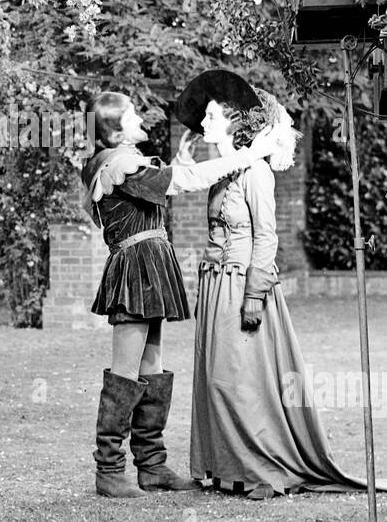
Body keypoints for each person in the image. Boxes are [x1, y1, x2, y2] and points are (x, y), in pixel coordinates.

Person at [175, 74, 387, 498]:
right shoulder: (223, 173)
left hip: (242, 284)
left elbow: (267, 237)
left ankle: (263, 468)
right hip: (215, 285)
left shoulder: (256, 174)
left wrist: (253, 295)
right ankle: (226, 465)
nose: (204, 122)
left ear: (235, 123)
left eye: (213, 115)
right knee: (216, 377)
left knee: (238, 380)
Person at [80, 91, 277, 498]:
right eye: (131, 114)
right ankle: (110, 471)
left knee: (151, 368)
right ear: (114, 130)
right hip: (135, 268)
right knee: (124, 372)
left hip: (148, 264)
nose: (140, 117)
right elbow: (184, 182)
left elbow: (166, 183)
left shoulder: (125, 163)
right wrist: (246, 155)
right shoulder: (120, 165)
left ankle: (152, 466)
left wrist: (181, 162)